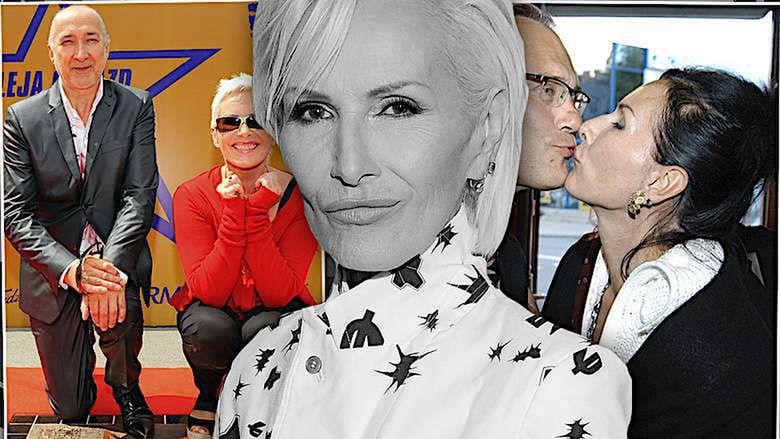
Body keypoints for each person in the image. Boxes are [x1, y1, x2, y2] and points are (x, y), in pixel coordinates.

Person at [214, 1, 632, 437]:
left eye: (397, 108)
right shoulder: (256, 368)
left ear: (486, 129)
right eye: (312, 111)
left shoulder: (560, 385)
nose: (349, 165)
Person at [542, 68, 775, 437]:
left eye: (620, 124)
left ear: (662, 182)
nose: (587, 127)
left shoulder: (711, 349)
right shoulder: (578, 265)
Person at [3, 6, 157, 438]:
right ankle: (76, 365)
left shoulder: (135, 106)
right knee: (72, 406)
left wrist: (107, 274)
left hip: (115, 256)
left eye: (91, 40)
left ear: (106, 49)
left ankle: (126, 385)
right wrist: (74, 271)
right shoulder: (22, 118)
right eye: (68, 42)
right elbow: (15, 213)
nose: (81, 53)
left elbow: (139, 195)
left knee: (121, 307)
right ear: (51, 52)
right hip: (55, 269)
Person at [170, 73, 318, 439]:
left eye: (256, 120)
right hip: (216, 309)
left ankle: (260, 401)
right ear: (215, 135)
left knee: (266, 328)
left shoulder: (301, 194)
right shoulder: (191, 195)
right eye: (229, 122)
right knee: (207, 328)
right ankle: (209, 394)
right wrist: (237, 212)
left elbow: (279, 294)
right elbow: (209, 290)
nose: (244, 131)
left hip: (271, 309)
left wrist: (258, 211)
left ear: (273, 132)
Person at [489, 5, 589, 312]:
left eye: (574, 98)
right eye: (548, 90)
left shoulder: (507, 259)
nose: (575, 121)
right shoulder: (407, 257)